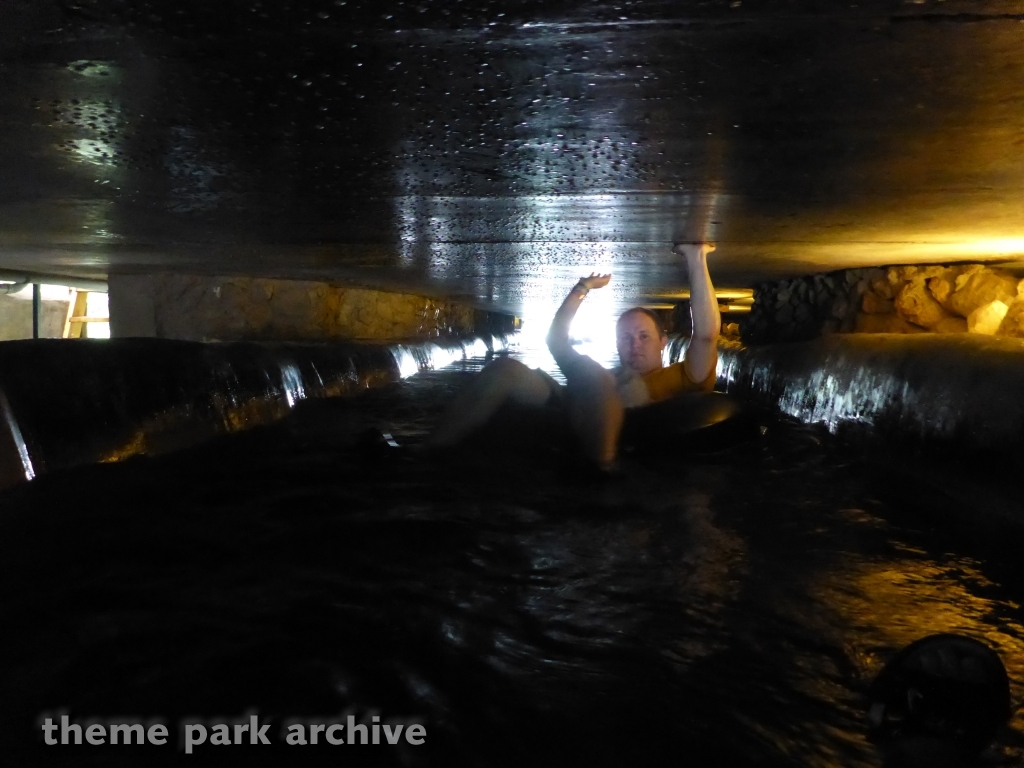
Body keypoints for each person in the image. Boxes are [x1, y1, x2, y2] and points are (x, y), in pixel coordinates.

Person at [427, 242, 721, 471]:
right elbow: (556, 341)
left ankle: (600, 469)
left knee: (601, 375)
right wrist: (581, 289)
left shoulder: (683, 376)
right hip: (580, 403)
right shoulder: (603, 379)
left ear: (662, 342)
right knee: (508, 368)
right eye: (625, 338)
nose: (635, 345)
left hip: (632, 415)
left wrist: (696, 259)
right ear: (616, 345)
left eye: (644, 337)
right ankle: (429, 453)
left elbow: (706, 335)